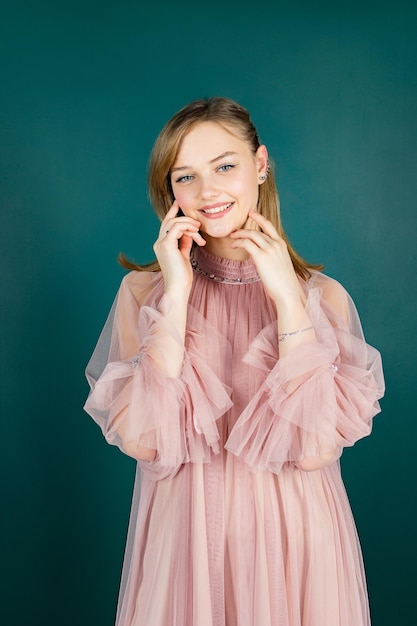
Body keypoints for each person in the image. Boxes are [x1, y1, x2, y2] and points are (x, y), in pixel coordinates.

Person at [84, 97, 385, 626]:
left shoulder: (325, 298)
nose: (208, 192)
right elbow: (147, 442)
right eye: (186, 177)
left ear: (261, 164)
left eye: (225, 166)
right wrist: (175, 295)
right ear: (170, 191)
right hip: (184, 550)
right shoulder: (142, 293)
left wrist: (289, 301)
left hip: (297, 548)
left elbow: (313, 449)